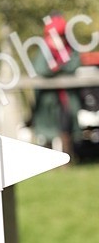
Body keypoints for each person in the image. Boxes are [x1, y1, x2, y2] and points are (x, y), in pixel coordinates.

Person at [28, 15, 82, 157]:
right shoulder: (44, 51)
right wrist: (58, 69)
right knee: (47, 131)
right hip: (47, 101)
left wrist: (57, 68)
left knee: (66, 128)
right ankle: (48, 159)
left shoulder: (70, 50)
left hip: (67, 99)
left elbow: (73, 66)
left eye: (60, 36)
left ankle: (68, 158)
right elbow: (41, 69)